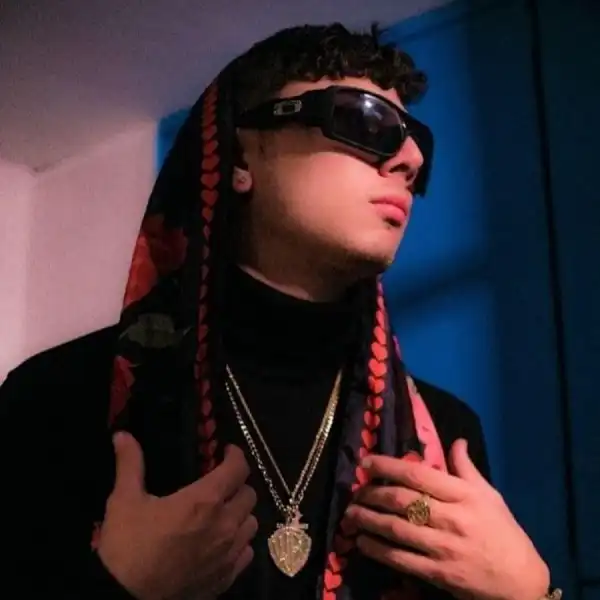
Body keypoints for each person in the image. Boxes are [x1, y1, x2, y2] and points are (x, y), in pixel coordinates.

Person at [0, 22, 558, 600]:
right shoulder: (58, 399)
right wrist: (117, 589)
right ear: (242, 155)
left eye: (419, 142)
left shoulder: (444, 435)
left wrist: (529, 592)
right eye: (366, 121)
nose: (411, 160)